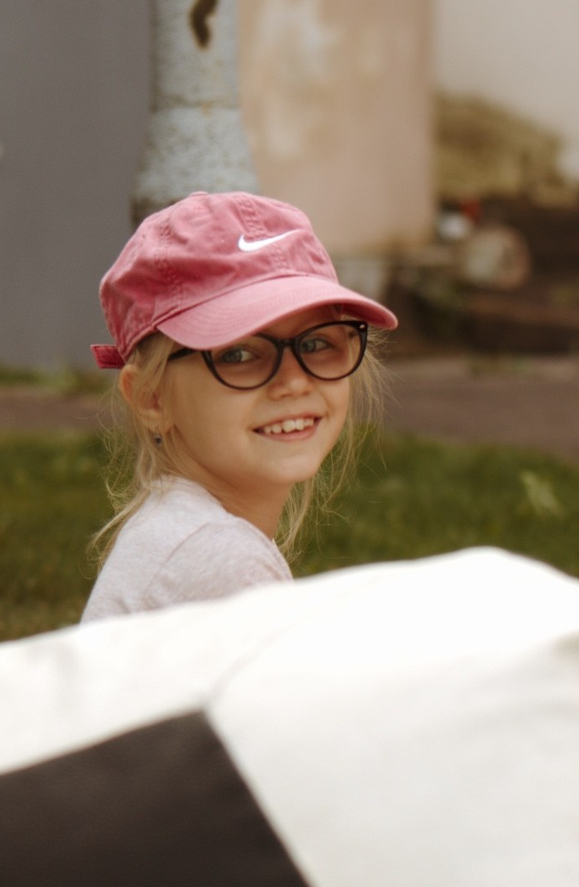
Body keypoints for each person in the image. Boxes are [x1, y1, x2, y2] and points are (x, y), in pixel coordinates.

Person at [82, 192, 394, 622]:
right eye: (239, 355)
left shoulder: (185, 530)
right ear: (152, 398)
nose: (293, 381)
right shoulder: (220, 559)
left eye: (318, 343)